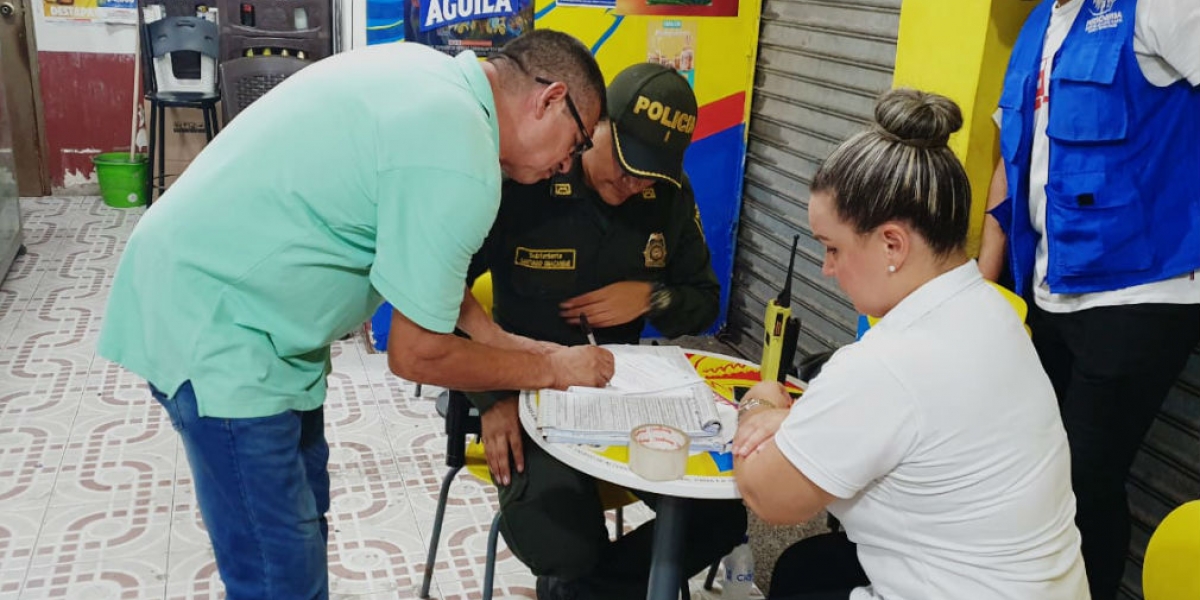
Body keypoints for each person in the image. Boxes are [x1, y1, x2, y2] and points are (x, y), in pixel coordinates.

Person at [97, 31, 616, 599]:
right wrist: (553, 371)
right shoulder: (462, 156)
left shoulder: (437, 81)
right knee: (279, 577)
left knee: (301, 530)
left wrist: (511, 343)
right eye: (577, 139)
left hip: (248, 314)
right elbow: (416, 355)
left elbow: (419, 255)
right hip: (220, 325)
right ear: (548, 98)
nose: (568, 165)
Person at [732, 88, 1088, 600]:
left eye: (833, 248)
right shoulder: (990, 311)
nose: (825, 269)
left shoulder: (887, 363)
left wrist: (762, 400)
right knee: (809, 569)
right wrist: (797, 420)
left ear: (892, 244)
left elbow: (769, 496)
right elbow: (920, 426)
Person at [462, 62, 745, 600]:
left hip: (622, 394)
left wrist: (650, 296)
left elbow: (704, 304)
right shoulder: (526, 177)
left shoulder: (668, 195)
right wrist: (490, 397)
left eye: (650, 172)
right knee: (562, 546)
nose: (633, 181)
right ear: (594, 122)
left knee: (723, 517)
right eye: (625, 160)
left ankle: (580, 595)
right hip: (528, 394)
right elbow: (439, 295)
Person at [983, 1, 1200, 596]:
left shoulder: (1161, 7)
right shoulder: (1037, 24)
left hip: (1142, 293)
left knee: (1083, 482)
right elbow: (1011, 155)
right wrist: (983, 286)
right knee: (1038, 474)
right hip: (1049, 287)